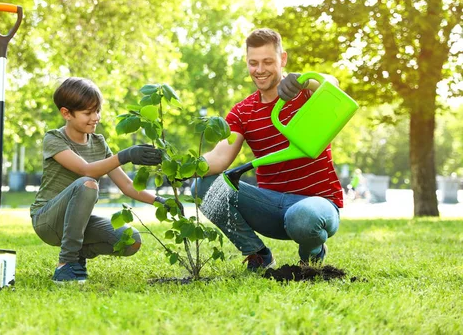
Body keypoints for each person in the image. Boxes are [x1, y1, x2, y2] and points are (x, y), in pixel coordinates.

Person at [194, 28, 343, 271]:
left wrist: (308, 79)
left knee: (303, 217)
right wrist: (179, 166)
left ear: (282, 59)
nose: (259, 70)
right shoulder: (243, 111)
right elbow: (219, 158)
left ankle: (312, 253)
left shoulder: (306, 92)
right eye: (253, 63)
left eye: (267, 62)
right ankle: (258, 255)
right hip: (269, 207)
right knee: (203, 186)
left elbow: (333, 85)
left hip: (316, 205)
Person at [31, 77, 166, 284]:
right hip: (47, 220)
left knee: (131, 241)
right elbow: (86, 170)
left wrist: (159, 201)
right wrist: (125, 155)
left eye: (97, 111)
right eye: (87, 113)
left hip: (76, 223)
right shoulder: (54, 139)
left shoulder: (99, 143)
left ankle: (78, 255)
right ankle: (65, 264)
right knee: (88, 183)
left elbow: (127, 186)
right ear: (66, 113)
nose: (95, 117)